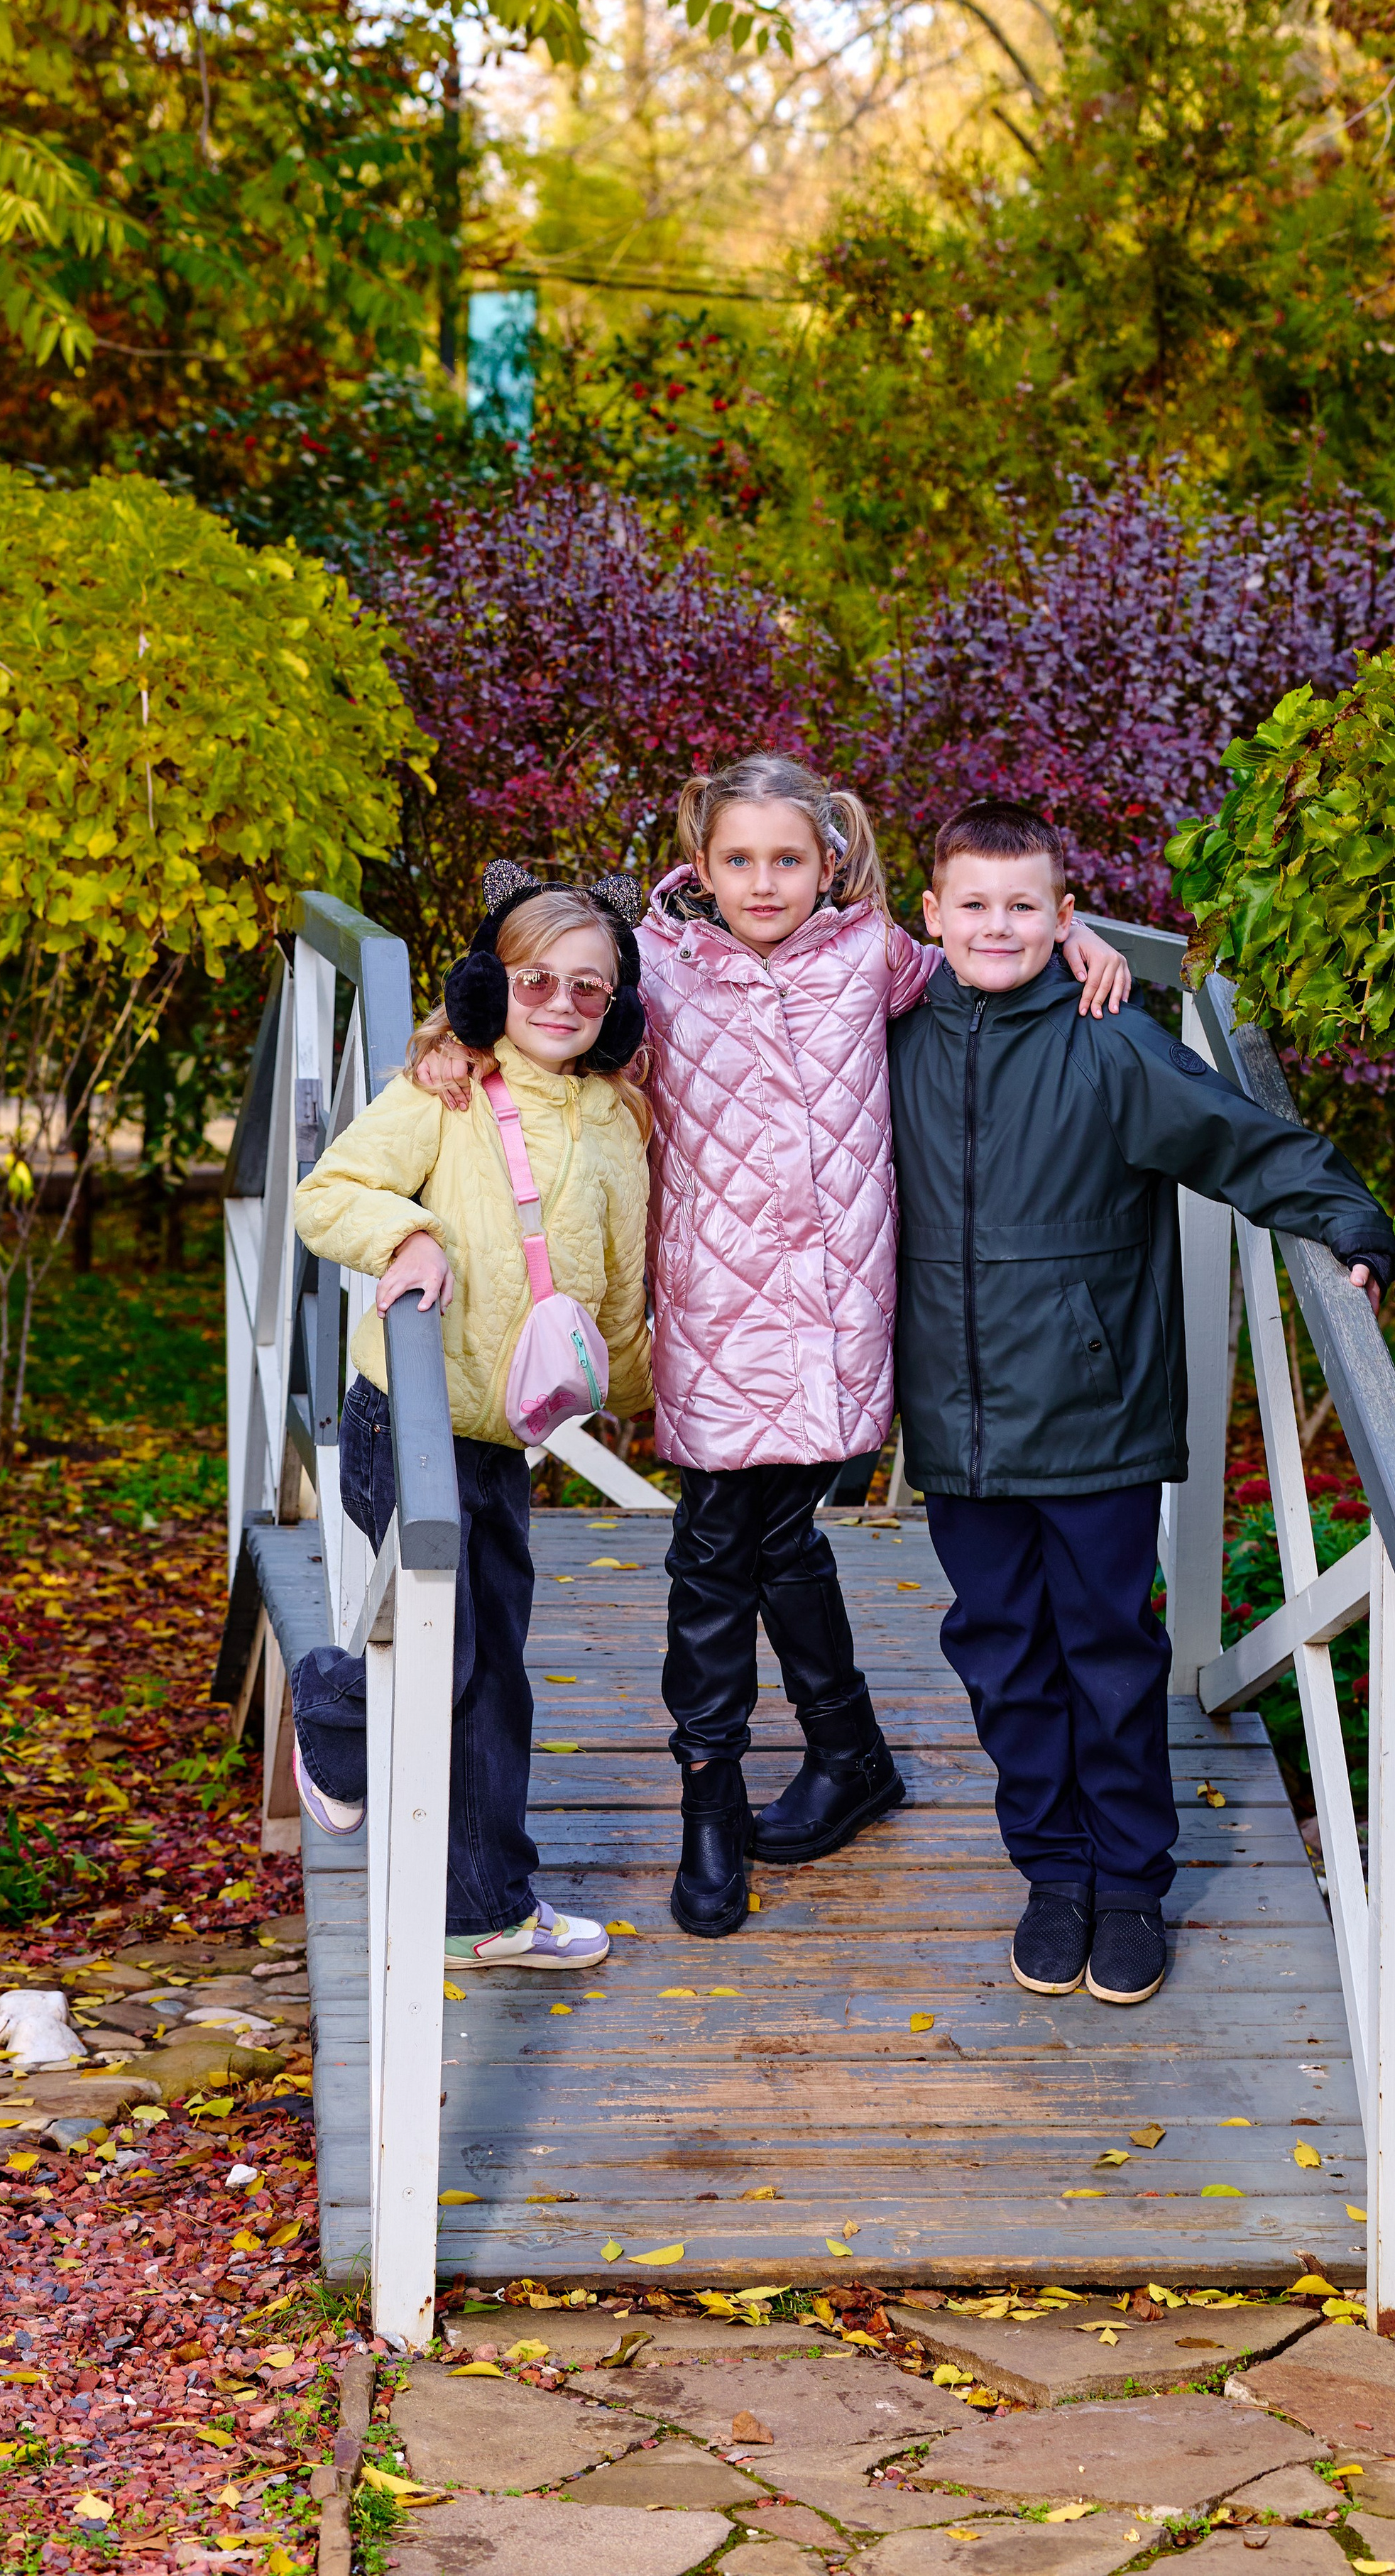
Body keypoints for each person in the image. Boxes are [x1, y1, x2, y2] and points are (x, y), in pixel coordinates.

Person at [422, 757, 1134, 1938]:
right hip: (711, 1308)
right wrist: (462, 1038)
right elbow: (561, 1026)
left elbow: (987, 942)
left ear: (831, 863)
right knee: (728, 1548)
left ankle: (823, 1764)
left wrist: (1085, 939)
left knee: (755, 1537)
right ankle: (741, 1792)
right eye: (739, 860)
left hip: (836, 1315)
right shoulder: (658, 973)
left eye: (789, 860)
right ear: (699, 866)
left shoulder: (874, 958)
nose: (764, 883)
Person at [888, 799, 1395, 2008]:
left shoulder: (1111, 1036)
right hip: (955, 1419)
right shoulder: (889, 1028)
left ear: (1069, 920)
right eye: (974, 904)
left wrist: (1350, 1222)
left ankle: (1129, 1885)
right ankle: (1053, 1876)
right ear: (931, 917)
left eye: (1026, 906)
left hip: (1093, 1413)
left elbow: (1240, 1140)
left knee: (1109, 1657)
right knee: (1003, 1658)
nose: (997, 926)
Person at [289, 865, 652, 1973]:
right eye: (537, 978)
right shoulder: (443, 1094)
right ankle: (333, 1713)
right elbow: (326, 1192)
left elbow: (622, 1289)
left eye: (589, 991)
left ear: (617, 1011)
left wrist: (644, 1396)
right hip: (403, 1420)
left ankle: (483, 1910)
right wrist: (407, 1234)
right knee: (448, 1659)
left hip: (500, 1448)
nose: (560, 1003)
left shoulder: (616, 1121)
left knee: (494, 1674)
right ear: (492, 984)